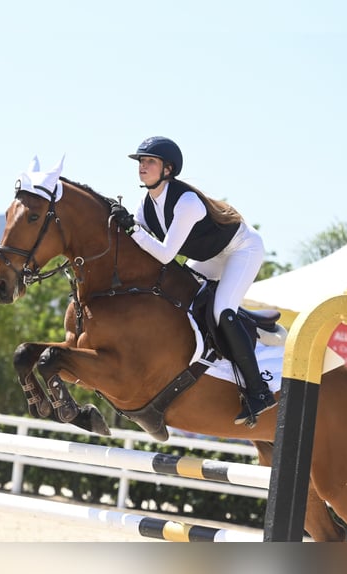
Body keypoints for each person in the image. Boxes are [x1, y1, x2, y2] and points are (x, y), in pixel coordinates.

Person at [111, 136, 276, 427]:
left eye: (149, 161)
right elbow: (138, 244)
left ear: (168, 169)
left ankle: (258, 392)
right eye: (141, 161)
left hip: (241, 249)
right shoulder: (145, 204)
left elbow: (164, 255)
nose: (142, 166)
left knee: (221, 310)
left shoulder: (185, 201)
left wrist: (132, 229)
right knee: (183, 295)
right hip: (212, 254)